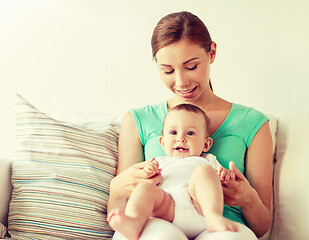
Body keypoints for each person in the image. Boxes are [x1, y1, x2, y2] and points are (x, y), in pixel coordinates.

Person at [108, 11, 273, 240]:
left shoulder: (252, 123)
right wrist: (117, 188)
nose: (181, 82)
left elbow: (263, 225)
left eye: (191, 66)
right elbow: (118, 209)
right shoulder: (138, 120)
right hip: (159, 218)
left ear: (212, 52)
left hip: (222, 227)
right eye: (168, 70)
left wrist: (249, 199)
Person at [108, 104, 238, 240]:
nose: (180, 138)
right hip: (166, 209)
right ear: (162, 143)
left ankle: (213, 217)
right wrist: (149, 171)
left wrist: (226, 176)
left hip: (199, 209)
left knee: (205, 172)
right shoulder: (158, 161)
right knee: (145, 188)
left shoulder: (208, 160)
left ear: (206, 144)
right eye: (173, 133)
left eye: (190, 133)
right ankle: (135, 221)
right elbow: (145, 180)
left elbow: (219, 182)